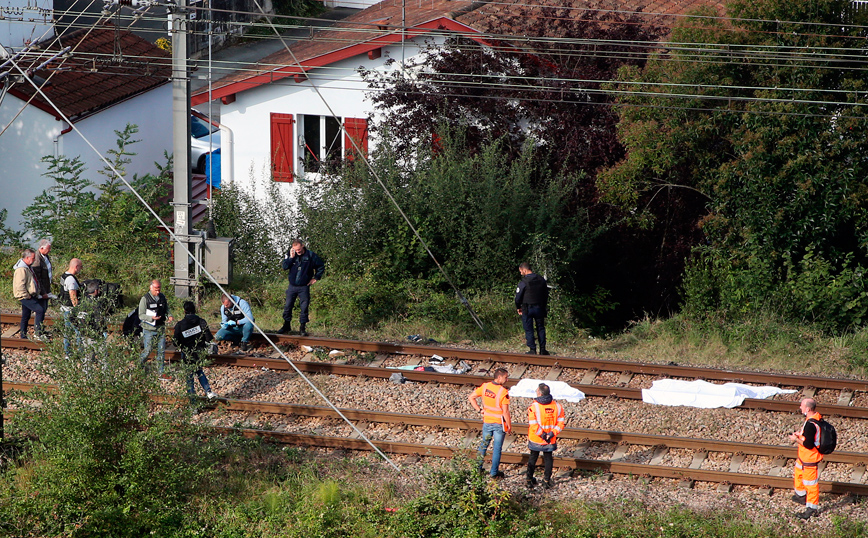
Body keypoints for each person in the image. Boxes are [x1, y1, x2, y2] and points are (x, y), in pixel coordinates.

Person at [469, 368, 512, 479]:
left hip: (487, 421)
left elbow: (471, 397)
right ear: (499, 377)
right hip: (499, 423)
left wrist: (479, 410)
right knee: (497, 448)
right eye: (505, 377)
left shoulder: (485, 386)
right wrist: (509, 427)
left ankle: (477, 468)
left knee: (483, 445)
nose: (507, 380)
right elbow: (506, 412)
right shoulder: (503, 392)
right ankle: (494, 473)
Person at [277, 239, 325, 336]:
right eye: (295, 249)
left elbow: (321, 266)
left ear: (302, 246)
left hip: (304, 286)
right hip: (292, 286)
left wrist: (316, 278)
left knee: (304, 307)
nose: (297, 251)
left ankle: (302, 328)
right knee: (288, 306)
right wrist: (291, 258)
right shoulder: (290, 254)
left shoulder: (311, 255)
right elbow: (284, 267)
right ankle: (286, 325)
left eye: (299, 249)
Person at [173, 301, 218, 402]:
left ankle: (193, 403)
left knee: (189, 377)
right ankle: (208, 391)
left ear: (184, 311)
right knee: (199, 371)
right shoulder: (201, 322)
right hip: (199, 352)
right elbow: (208, 338)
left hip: (187, 353)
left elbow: (175, 342)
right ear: (195, 310)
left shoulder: (180, 325)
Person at [788, 398, 824, 519]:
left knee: (811, 484)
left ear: (808, 409)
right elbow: (810, 438)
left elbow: (808, 444)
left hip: (810, 458)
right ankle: (801, 496)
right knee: (798, 473)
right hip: (804, 457)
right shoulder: (815, 418)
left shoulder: (810, 424)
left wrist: (796, 439)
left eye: (802, 405)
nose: (800, 407)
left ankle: (811, 509)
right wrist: (801, 435)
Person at [526, 383, 565, 489]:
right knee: (548, 459)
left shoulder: (534, 407)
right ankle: (546, 481)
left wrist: (542, 435)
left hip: (536, 438)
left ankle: (529, 480)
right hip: (550, 439)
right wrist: (551, 434)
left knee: (533, 457)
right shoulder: (558, 406)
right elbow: (561, 423)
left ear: (539, 393)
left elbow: (533, 424)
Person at [138, 279, 174, 377]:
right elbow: (140, 315)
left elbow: (167, 309)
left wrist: (169, 315)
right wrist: (151, 318)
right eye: (155, 290)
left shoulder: (162, 297)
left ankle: (160, 372)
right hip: (149, 329)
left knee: (161, 350)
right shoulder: (145, 299)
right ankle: (139, 366)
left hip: (160, 328)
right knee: (148, 350)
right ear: (151, 288)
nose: (157, 292)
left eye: (159, 290)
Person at [515, 262, 549, 355]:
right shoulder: (541, 280)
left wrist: (518, 307)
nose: (521, 273)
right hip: (539, 307)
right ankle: (543, 349)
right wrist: (544, 306)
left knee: (529, 329)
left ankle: (532, 349)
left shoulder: (524, 282)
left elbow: (518, 297)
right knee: (540, 328)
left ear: (524, 270)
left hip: (527, 308)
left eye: (521, 271)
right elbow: (546, 294)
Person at [12, 248, 47, 340]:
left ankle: (23, 335)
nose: (34, 260)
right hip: (24, 296)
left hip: (28, 295)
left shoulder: (28, 267)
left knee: (26, 315)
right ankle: (38, 333)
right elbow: (20, 285)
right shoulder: (21, 269)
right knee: (40, 310)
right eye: (33, 258)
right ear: (27, 258)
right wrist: (27, 296)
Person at [59, 258, 84, 354]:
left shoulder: (64, 275)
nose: (81, 269)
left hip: (65, 308)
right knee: (78, 331)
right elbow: (73, 298)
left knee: (68, 332)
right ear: (76, 267)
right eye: (81, 267)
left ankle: (67, 353)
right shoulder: (71, 280)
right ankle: (80, 353)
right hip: (70, 310)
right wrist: (78, 311)